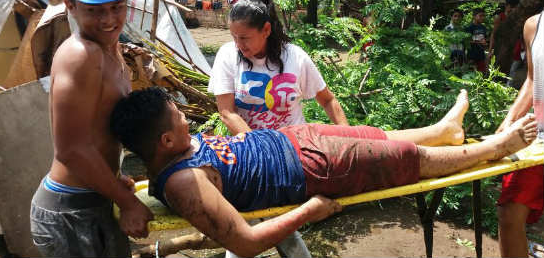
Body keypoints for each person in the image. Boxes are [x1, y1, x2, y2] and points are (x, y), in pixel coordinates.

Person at [111, 87, 537, 258]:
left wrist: (126, 191)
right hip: (313, 170)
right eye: (178, 116)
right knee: (404, 162)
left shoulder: (172, 151)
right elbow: (244, 244)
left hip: (297, 140)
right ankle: (496, 147)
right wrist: (310, 211)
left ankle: (444, 131)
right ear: (166, 142)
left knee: (378, 136)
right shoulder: (184, 183)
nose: (186, 117)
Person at [30, 0, 152, 257]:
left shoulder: (110, 50)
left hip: (93, 198)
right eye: (94, 10)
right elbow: (70, 149)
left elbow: (96, 130)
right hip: (69, 212)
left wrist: (114, 178)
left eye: (117, 6)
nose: (109, 19)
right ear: (69, 4)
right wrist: (127, 202)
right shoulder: (81, 55)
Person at [207, 0, 347, 257]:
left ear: (267, 29)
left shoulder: (295, 57)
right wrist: (262, 152)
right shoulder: (227, 55)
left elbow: (328, 100)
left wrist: (350, 138)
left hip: (296, 155)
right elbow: (226, 113)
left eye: (245, 38)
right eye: (234, 37)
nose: (238, 45)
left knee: (276, 223)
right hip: (248, 156)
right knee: (247, 224)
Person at [495, 0, 544, 258]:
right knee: (510, 214)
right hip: (540, 139)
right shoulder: (533, 26)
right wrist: (509, 120)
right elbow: (532, 80)